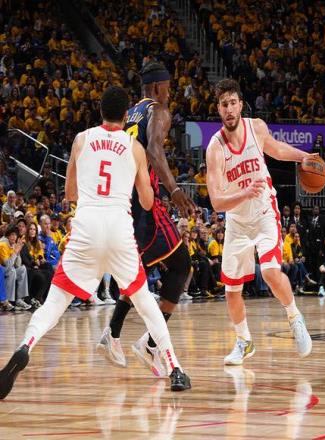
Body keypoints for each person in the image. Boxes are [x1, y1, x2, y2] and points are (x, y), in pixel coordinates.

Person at [0, 86, 190, 400]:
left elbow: (70, 193)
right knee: (144, 302)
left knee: (55, 303)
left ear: (100, 112)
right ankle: (175, 369)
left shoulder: (81, 139)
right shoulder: (135, 147)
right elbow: (146, 201)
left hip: (86, 228)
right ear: (126, 116)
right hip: (118, 230)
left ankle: (25, 346)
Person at [98, 62, 195, 388]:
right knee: (181, 266)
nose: (170, 93)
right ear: (156, 87)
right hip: (145, 203)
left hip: (123, 203)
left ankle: (115, 333)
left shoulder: (129, 114)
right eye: (168, 86)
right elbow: (154, 150)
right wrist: (175, 190)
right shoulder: (158, 110)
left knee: (139, 272)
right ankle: (150, 344)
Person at [206, 78, 313, 365]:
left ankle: (294, 317)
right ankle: (244, 341)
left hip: (265, 212)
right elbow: (216, 202)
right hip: (237, 222)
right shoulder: (215, 148)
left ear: (240, 104)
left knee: (269, 272)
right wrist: (243, 193)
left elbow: (277, 149)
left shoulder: (256, 127)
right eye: (224, 104)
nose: (229, 109)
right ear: (218, 109)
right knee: (231, 291)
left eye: (233, 103)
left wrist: (304, 157)